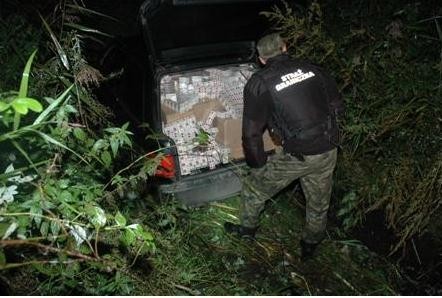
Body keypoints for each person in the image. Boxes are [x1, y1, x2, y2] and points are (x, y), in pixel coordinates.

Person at [224, 33, 344, 260]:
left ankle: (247, 230)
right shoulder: (314, 68)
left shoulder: (259, 83)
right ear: (285, 47)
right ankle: (310, 244)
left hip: (299, 154)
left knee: (254, 188)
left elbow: (251, 134)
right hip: (328, 147)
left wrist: (257, 164)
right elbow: (337, 105)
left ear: (260, 59)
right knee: (318, 202)